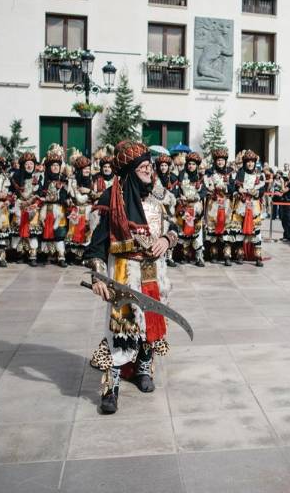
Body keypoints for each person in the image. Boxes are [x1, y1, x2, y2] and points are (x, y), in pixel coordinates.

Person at [84, 140, 179, 414]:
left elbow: (174, 226)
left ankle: (143, 368)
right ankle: (109, 387)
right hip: (125, 274)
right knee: (122, 330)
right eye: (145, 168)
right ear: (130, 171)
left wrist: (166, 239)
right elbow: (95, 247)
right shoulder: (112, 200)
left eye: (151, 166)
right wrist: (99, 278)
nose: (151, 172)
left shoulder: (158, 197)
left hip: (154, 274)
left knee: (151, 325)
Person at [231, 150, 266, 266]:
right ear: (245, 163)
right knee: (239, 230)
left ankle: (257, 256)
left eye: (252, 162)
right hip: (241, 205)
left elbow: (262, 191)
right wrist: (239, 191)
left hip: (254, 206)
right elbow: (235, 187)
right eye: (248, 162)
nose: (250, 164)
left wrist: (256, 192)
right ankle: (240, 254)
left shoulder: (259, 175)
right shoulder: (240, 174)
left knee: (256, 231)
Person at [10, 152, 43, 266]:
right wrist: (13, 199)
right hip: (19, 207)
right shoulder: (16, 178)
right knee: (17, 231)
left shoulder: (38, 177)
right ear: (23, 165)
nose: (29, 166)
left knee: (32, 232)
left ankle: (32, 255)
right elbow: (11, 193)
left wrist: (36, 203)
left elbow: (41, 194)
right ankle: (20, 253)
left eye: (31, 164)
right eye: (27, 164)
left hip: (32, 208)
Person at [39, 147, 70, 267]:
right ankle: (48, 255)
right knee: (47, 232)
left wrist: (62, 197)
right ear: (49, 167)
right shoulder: (44, 180)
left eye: (57, 165)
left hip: (59, 210)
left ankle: (61, 256)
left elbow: (66, 195)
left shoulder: (64, 180)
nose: (55, 167)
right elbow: (40, 193)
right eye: (53, 166)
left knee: (59, 232)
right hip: (46, 210)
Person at [203, 148, 234, 265]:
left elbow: (233, 188)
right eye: (218, 160)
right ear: (215, 161)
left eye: (222, 160)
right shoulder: (209, 172)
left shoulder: (231, 172)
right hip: (213, 205)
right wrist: (211, 190)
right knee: (213, 228)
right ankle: (213, 253)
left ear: (225, 161)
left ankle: (227, 254)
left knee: (226, 228)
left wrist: (225, 188)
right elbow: (205, 187)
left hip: (226, 204)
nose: (220, 162)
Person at [175, 152, 206, 266]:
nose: (191, 166)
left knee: (197, 232)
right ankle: (185, 254)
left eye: (193, 164)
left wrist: (197, 197)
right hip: (183, 206)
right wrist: (180, 197)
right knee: (183, 232)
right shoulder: (181, 175)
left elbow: (204, 191)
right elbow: (177, 190)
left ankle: (199, 257)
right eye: (189, 164)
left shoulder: (201, 177)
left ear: (197, 165)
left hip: (196, 208)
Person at [65, 155, 95, 264]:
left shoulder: (93, 181)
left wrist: (89, 191)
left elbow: (98, 195)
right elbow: (69, 195)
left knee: (88, 232)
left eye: (88, 168)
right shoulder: (72, 182)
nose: (87, 171)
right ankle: (76, 256)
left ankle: (86, 255)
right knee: (75, 232)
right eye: (84, 169)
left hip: (88, 210)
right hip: (77, 210)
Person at [154, 155, 179, 267]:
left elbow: (177, 193)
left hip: (170, 209)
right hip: (158, 208)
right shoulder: (154, 177)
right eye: (161, 165)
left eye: (165, 165)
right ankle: (160, 254)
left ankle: (170, 256)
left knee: (171, 228)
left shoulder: (173, 177)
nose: (163, 167)